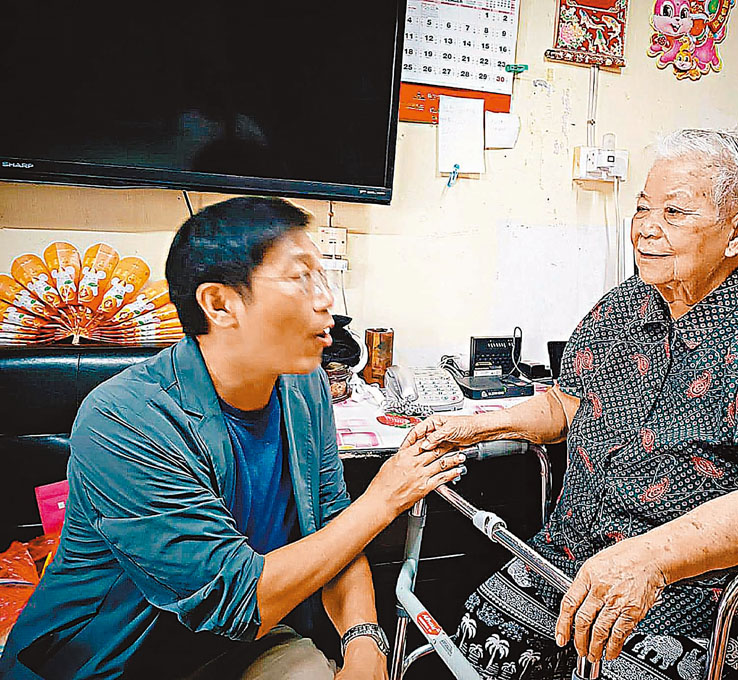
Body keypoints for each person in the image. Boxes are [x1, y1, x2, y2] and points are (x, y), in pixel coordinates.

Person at [405, 130, 738, 680]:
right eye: (642, 207)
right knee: (469, 656)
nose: (646, 228)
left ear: (737, 231)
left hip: (699, 591)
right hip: (572, 553)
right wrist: (476, 427)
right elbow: (566, 405)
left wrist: (649, 559)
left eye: (674, 212)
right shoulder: (623, 307)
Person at [0, 197, 465, 679]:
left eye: (322, 277)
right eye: (300, 277)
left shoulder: (304, 385)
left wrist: (365, 642)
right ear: (220, 304)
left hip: (245, 643)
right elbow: (237, 601)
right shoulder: (122, 418)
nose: (326, 299)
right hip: (115, 656)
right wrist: (384, 498)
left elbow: (332, 524)